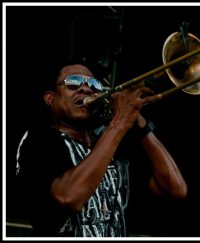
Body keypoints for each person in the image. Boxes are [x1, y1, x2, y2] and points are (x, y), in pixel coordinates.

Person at [15, 63, 187, 237]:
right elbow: (68, 197)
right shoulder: (39, 139)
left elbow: (175, 189)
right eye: (73, 82)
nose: (86, 89)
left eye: (94, 85)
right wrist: (120, 122)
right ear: (49, 98)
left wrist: (139, 123)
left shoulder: (111, 145)